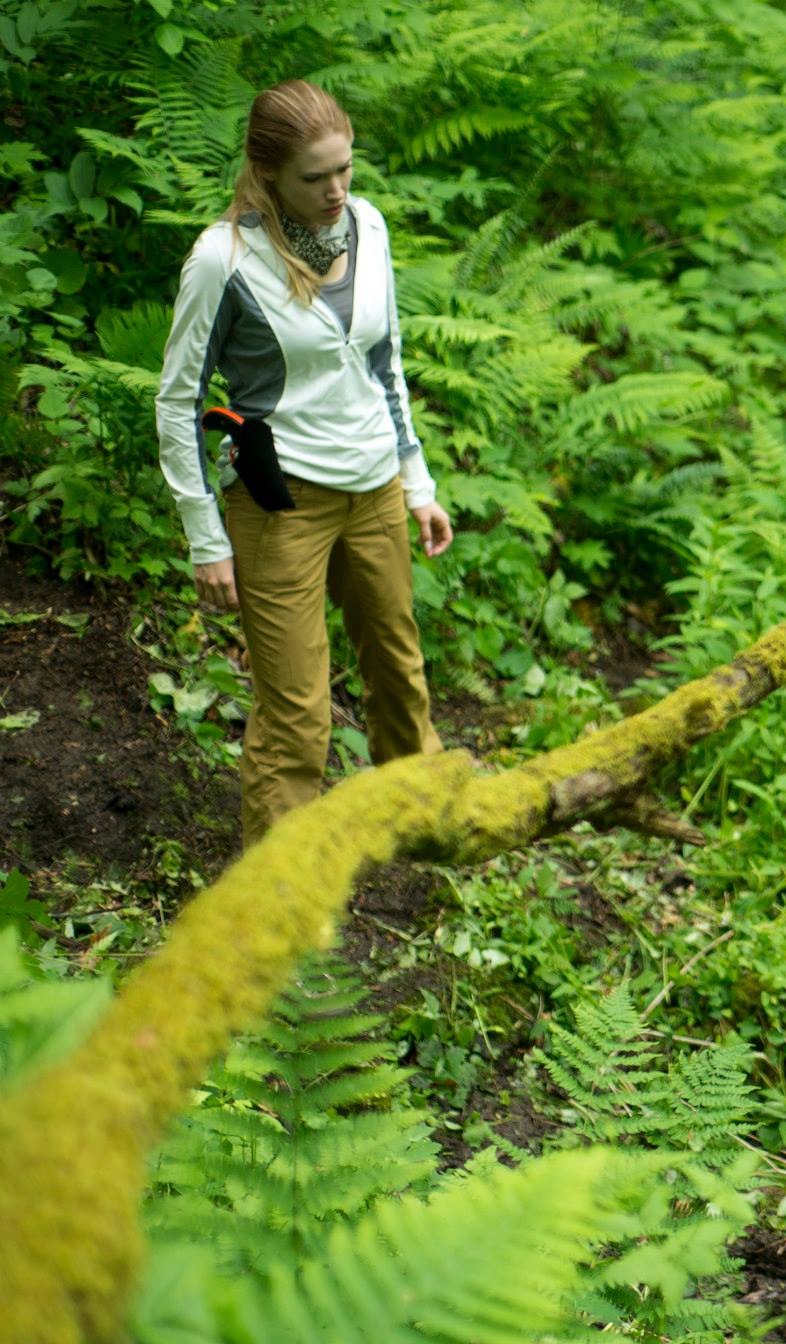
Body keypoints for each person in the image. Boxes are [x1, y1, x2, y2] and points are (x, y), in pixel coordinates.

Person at [155, 78, 451, 845]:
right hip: (281, 501)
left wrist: (417, 483)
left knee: (400, 673)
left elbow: (385, 365)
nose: (336, 190)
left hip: (376, 486)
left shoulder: (370, 226)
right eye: (315, 178)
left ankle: (422, 827)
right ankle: (276, 897)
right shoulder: (224, 259)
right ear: (268, 174)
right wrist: (205, 537)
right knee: (297, 712)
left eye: (344, 169)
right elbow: (177, 401)